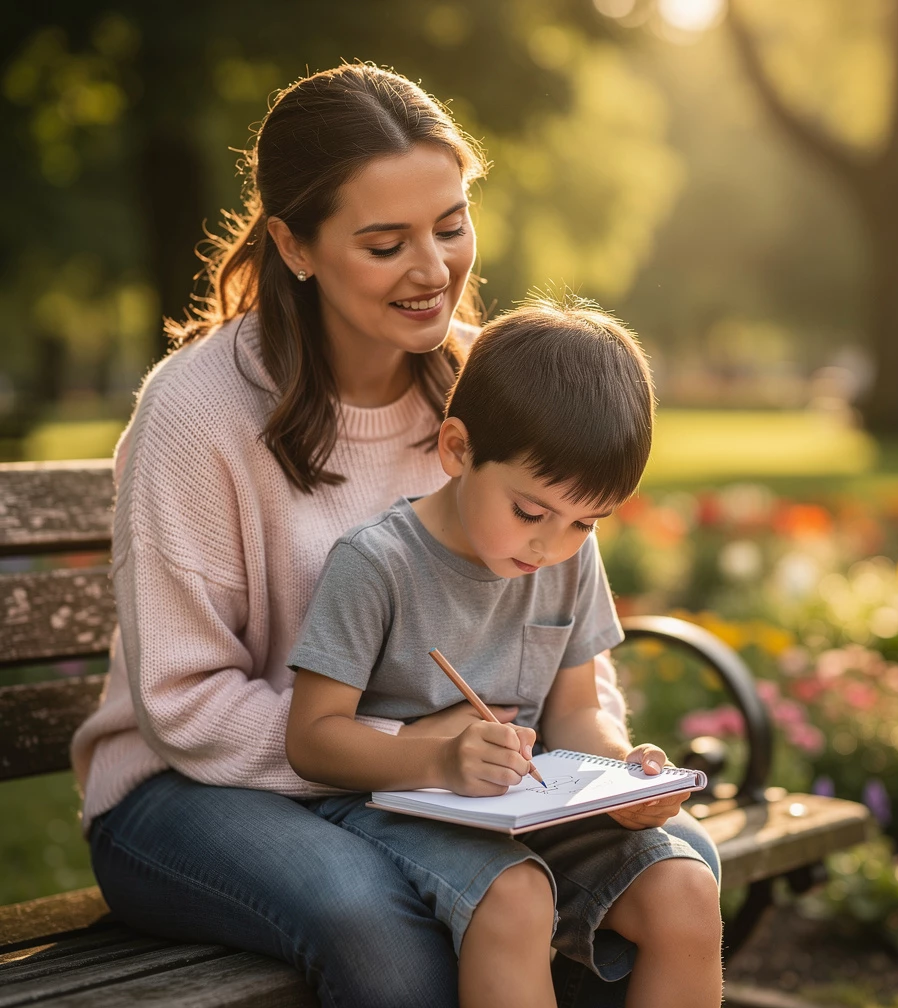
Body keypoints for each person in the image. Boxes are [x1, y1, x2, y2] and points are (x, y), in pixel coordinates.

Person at [69, 63, 719, 1008]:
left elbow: (559, 614)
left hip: (440, 781)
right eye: (386, 243)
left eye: (451, 226)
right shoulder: (196, 414)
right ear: (294, 244)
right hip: (189, 791)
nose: (434, 271)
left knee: (673, 862)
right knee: (379, 917)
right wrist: (416, 754)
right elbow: (187, 706)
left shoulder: (483, 378)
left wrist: (595, 772)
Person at [286, 300, 724, 1008]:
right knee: (516, 898)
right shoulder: (376, 564)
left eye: (585, 521)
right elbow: (310, 739)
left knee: (685, 890)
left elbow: (578, 710)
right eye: (530, 512)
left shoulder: (571, 560)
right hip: (395, 811)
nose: (550, 545)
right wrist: (439, 760)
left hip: (529, 804)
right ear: (457, 449)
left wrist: (626, 774)